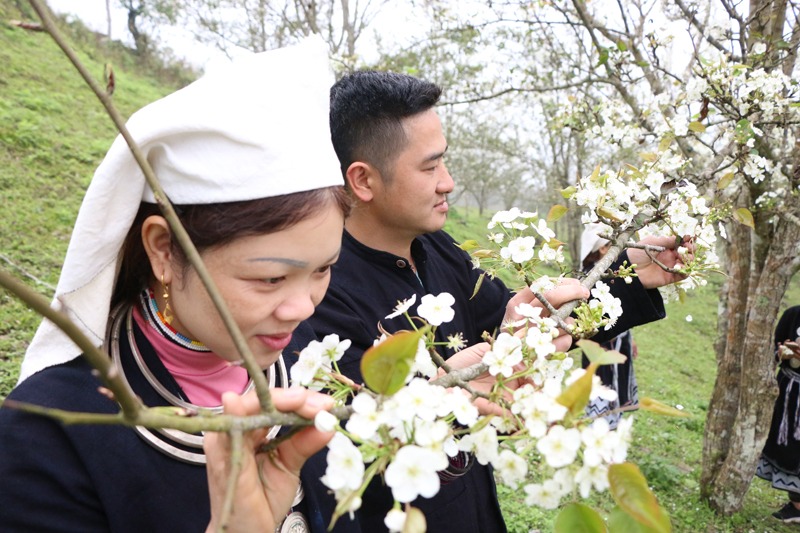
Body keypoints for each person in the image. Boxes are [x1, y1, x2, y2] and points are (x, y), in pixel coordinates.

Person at [285, 70, 692, 533]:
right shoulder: (316, 294)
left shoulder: (438, 250)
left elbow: (524, 328)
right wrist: (439, 398)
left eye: (445, 163)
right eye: (430, 166)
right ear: (363, 180)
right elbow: (335, 450)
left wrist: (631, 275)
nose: (448, 182)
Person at [0, 37, 346, 532]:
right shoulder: (50, 429)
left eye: (323, 269)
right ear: (164, 249)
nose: (302, 307)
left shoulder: (311, 360)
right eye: (270, 278)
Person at [580, 222, 639, 429]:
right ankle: (600, 429)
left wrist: (630, 338)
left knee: (618, 383)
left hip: (619, 342)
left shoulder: (612, 273)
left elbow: (620, 311)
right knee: (602, 385)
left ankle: (614, 424)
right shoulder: (589, 277)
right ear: (604, 248)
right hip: (600, 346)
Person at [756, 305, 800, 524]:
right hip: (788, 392)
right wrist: (781, 352)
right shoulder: (794, 314)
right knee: (788, 448)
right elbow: (774, 346)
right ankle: (796, 505)